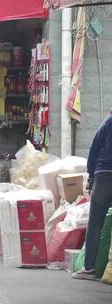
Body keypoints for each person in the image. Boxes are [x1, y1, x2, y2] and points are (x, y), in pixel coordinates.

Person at [72, 111, 112, 280]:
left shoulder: (108, 122)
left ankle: (89, 269)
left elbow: (94, 147)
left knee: (95, 223)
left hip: (103, 174)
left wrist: (90, 176)